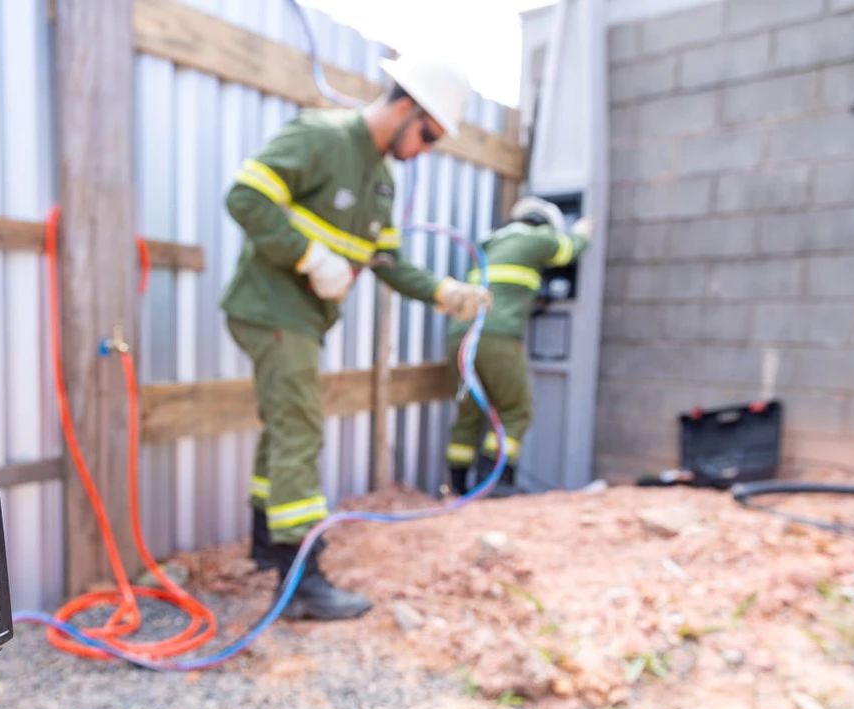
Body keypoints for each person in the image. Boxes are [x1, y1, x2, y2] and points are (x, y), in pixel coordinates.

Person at [221, 54, 493, 621]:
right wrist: (308, 256)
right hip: (271, 308)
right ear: (403, 107)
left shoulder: (382, 182)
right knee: (300, 427)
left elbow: (388, 264)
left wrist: (444, 293)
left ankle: (270, 549)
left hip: (301, 319)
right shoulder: (321, 137)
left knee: (285, 431)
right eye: (429, 133)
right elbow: (244, 197)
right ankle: (301, 582)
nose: (427, 148)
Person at [443, 197, 593, 498]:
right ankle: (494, 484)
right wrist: (582, 234)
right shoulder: (537, 238)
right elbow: (568, 251)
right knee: (515, 411)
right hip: (497, 336)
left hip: (459, 335)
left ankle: (456, 489)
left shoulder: (487, 242)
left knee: (469, 414)